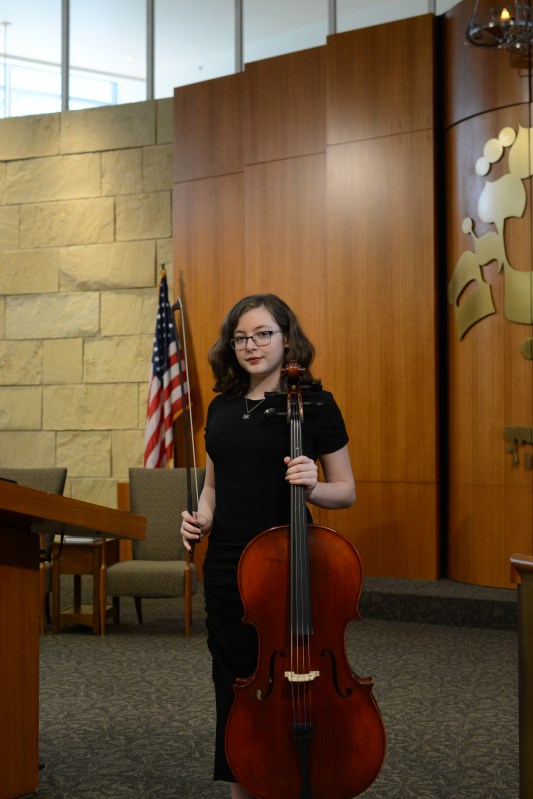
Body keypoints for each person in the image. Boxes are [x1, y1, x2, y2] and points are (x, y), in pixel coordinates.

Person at [180, 293, 355, 799]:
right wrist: (200, 518)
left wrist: (314, 487)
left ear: (286, 338)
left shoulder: (315, 404)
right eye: (240, 338)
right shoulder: (222, 407)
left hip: (288, 563)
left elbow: (346, 490)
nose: (250, 346)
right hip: (226, 567)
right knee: (236, 684)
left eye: (262, 334)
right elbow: (214, 487)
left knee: (296, 680)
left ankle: (298, 779)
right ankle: (243, 787)